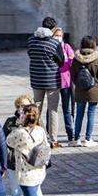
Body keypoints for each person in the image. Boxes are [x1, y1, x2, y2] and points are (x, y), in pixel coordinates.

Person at [7, 104, 48, 196]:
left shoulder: (20, 132)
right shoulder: (41, 131)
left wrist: (19, 125)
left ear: (24, 116)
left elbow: (8, 141)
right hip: (39, 170)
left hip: (26, 173)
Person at [2, 95, 43, 196]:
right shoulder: (11, 122)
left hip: (33, 166)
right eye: (19, 106)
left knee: (34, 194)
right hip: (15, 163)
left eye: (25, 107)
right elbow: (6, 142)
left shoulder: (38, 126)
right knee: (15, 191)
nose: (22, 110)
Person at [27, 16, 65, 148]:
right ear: (53, 28)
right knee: (53, 110)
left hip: (36, 79)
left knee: (35, 109)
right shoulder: (54, 43)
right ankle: (53, 140)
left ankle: (34, 136)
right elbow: (61, 61)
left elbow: (30, 54)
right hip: (52, 81)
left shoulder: (31, 40)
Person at [70, 36, 98, 147]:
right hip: (93, 90)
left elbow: (73, 75)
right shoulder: (97, 58)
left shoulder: (76, 58)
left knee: (79, 114)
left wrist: (78, 84)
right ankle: (88, 139)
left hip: (80, 90)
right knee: (91, 113)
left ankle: (76, 139)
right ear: (93, 45)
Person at [53, 27, 76, 142]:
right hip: (54, 82)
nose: (58, 37)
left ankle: (70, 133)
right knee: (52, 109)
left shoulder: (66, 47)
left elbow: (72, 60)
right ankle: (51, 133)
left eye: (60, 35)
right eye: (56, 35)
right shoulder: (51, 47)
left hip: (66, 82)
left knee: (67, 109)